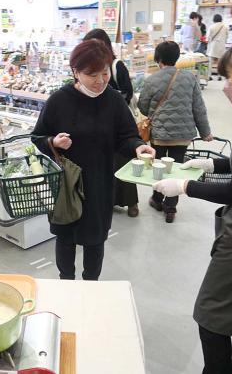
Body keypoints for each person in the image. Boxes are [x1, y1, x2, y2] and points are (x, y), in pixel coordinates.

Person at [153, 39, 232, 374]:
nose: (227, 86)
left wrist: (184, 186)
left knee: (211, 314)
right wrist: (215, 165)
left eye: (231, 77)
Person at [31, 39, 155, 281]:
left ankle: (91, 285)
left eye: (105, 72)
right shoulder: (59, 100)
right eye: (92, 74)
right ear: (75, 72)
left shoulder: (114, 100)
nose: (100, 80)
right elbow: (37, 136)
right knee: (65, 237)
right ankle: (66, 281)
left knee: (95, 240)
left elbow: (127, 135)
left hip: (100, 183)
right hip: (67, 185)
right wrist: (53, 142)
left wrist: (139, 147)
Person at [138, 41, 213, 223]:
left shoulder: (151, 79)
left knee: (158, 168)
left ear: (158, 58)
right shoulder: (189, 78)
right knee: (177, 168)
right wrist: (205, 132)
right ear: (176, 57)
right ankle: (171, 207)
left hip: (160, 135)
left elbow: (143, 106)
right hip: (183, 135)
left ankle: (156, 199)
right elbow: (198, 108)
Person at [83, 28, 139, 218]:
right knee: (106, 165)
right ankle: (111, 200)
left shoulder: (116, 65)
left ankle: (132, 203)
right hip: (96, 124)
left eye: (98, 45)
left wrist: (111, 99)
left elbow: (128, 91)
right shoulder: (85, 69)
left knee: (124, 161)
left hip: (117, 122)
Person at [207, 14, 229, 81]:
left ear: (214, 19)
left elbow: (208, 37)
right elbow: (227, 36)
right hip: (221, 45)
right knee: (220, 61)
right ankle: (219, 76)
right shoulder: (225, 27)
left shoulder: (211, 26)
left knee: (210, 61)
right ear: (221, 19)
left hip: (213, 45)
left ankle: (209, 76)